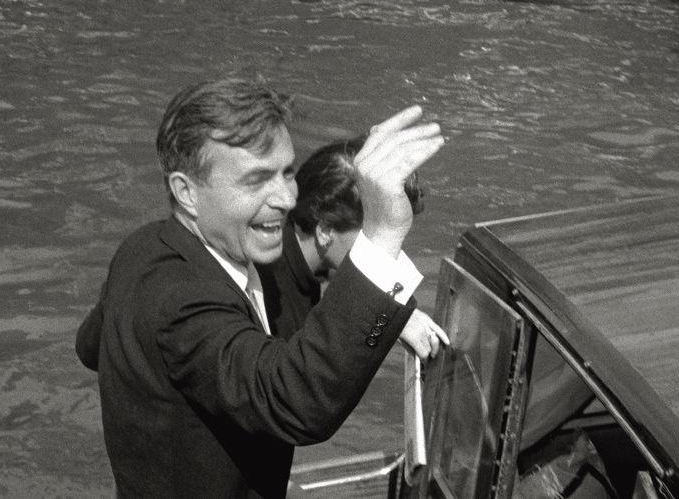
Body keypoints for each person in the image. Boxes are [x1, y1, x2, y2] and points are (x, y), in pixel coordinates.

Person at [75, 77, 446, 498]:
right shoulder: (181, 301)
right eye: (256, 181)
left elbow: (90, 346)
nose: (287, 199)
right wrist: (381, 232)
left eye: (287, 173)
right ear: (187, 192)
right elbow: (297, 400)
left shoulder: (143, 247)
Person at [263, 135, 447, 354]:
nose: (391, 255)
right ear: (325, 231)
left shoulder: (298, 255)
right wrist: (385, 319)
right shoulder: (275, 306)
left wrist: (392, 313)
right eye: (374, 237)